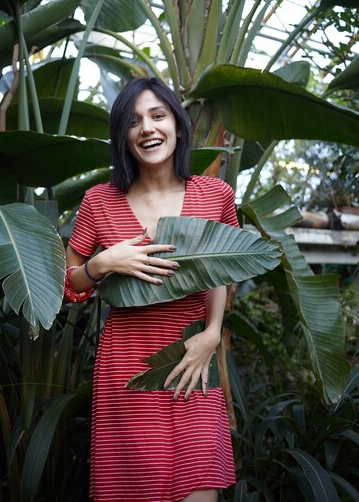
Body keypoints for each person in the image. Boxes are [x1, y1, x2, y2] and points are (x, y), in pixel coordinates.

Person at [64, 76, 238, 502]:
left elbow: (225, 269)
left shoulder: (214, 194)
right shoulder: (99, 201)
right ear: (122, 137)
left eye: (158, 116)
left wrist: (213, 333)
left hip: (192, 356)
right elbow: (69, 283)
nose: (147, 128)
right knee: (132, 486)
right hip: (127, 365)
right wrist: (101, 263)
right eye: (134, 121)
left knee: (199, 485)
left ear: (177, 125)